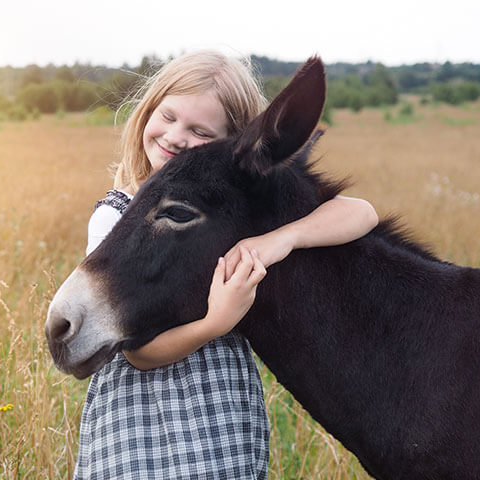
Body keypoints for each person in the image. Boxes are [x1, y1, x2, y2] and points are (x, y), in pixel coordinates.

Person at [75, 50, 378, 480]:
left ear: (230, 144)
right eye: (169, 115)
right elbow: (137, 353)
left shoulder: (223, 214)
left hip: (219, 419)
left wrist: (279, 239)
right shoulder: (117, 216)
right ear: (148, 109)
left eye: (199, 130)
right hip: (144, 423)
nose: (176, 136)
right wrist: (215, 323)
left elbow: (361, 212)